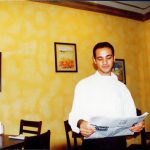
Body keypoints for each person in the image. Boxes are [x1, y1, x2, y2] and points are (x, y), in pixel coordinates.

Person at [69, 42, 144, 150]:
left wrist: (137, 124)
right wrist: (80, 123)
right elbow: (74, 116)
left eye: (108, 57)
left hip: (118, 144)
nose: (105, 62)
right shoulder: (84, 85)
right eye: (100, 58)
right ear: (94, 61)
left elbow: (131, 117)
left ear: (114, 58)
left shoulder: (122, 88)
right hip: (92, 144)